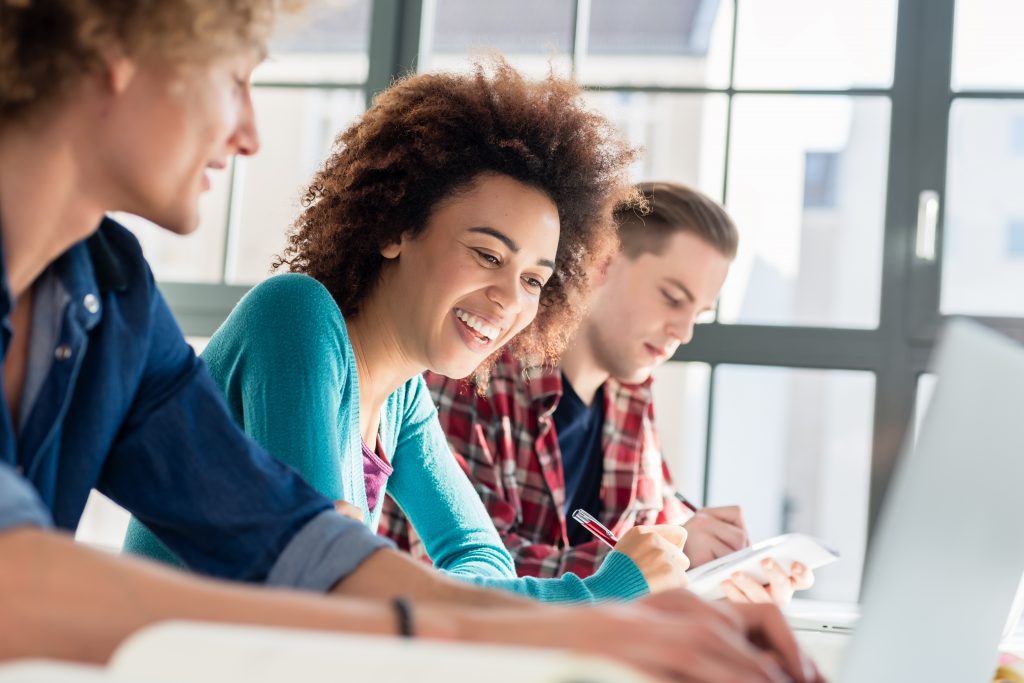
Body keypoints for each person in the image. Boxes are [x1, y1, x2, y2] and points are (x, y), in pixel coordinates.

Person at [0, 3, 821, 680]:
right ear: (112, 44)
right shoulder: (297, 319)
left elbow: (299, 544)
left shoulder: (113, 298)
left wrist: (600, 624)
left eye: (535, 277)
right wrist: (565, 617)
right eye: (233, 77)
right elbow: (18, 582)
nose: (249, 131)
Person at [124, 59, 695, 605]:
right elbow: (329, 591)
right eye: (486, 253)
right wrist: (598, 593)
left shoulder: (403, 396)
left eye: (533, 280)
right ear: (397, 228)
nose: (509, 299)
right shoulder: (295, 319)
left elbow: (480, 556)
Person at [382, 181, 815, 605]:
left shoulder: (633, 395)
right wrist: (651, 566)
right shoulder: (472, 371)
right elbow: (473, 577)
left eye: (698, 313)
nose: (683, 333)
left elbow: (656, 531)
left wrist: (721, 568)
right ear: (602, 264)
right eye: (671, 297)